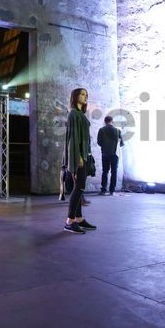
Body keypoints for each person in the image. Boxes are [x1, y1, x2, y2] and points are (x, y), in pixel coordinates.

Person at [63, 88, 96, 234]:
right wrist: (78, 158)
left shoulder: (80, 114)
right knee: (79, 188)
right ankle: (69, 221)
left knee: (79, 187)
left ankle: (79, 219)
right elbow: (73, 138)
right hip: (79, 157)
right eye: (82, 94)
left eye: (86, 95)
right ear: (75, 96)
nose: (85, 97)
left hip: (84, 155)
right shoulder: (73, 113)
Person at [97, 115, 123, 195]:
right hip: (115, 154)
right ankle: (112, 191)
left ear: (105, 122)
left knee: (105, 172)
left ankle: (103, 190)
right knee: (114, 172)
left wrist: (105, 146)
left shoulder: (101, 130)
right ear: (112, 121)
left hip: (105, 154)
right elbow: (121, 143)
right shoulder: (118, 131)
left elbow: (99, 142)